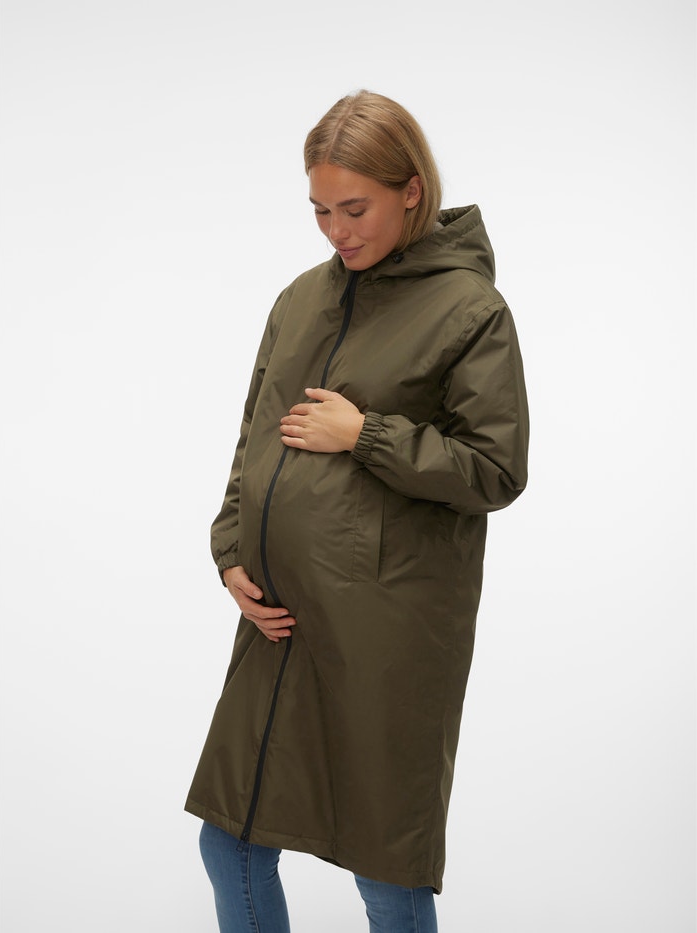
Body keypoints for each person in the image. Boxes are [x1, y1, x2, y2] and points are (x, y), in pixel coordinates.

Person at [186, 90, 529, 933]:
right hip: (280, 624)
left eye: (354, 208)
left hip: (387, 630)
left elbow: (495, 468)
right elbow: (254, 435)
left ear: (411, 191)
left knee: (387, 870)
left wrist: (365, 433)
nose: (335, 230)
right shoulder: (301, 298)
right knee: (230, 841)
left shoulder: (470, 310)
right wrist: (230, 549)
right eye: (319, 209)